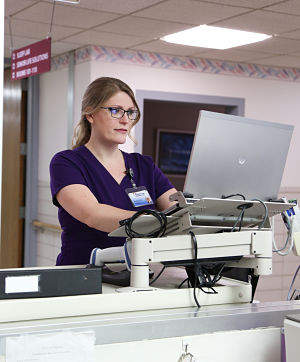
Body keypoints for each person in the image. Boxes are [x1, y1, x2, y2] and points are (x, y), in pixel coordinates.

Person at [50, 77, 177, 265]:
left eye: (131, 112)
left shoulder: (144, 165)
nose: (126, 120)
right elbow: (92, 215)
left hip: (139, 276)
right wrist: (154, 220)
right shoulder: (67, 163)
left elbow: (176, 212)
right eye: (115, 111)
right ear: (90, 114)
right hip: (82, 276)